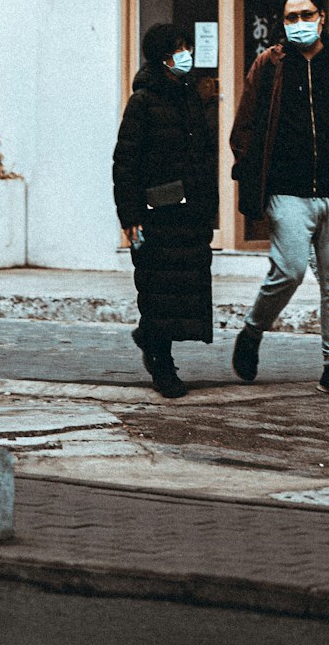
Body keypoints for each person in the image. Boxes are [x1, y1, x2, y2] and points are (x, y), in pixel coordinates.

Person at [229, 0, 329, 397]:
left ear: (322, 17)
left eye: (305, 15)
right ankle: (253, 329)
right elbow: (244, 128)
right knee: (289, 269)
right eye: (290, 18)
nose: (298, 24)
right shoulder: (269, 65)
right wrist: (253, 179)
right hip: (288, 191)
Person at [113, 21, 217, 398]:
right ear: (161, 57)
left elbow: (203, 157)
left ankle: (149, 338)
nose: (185, 54)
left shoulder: (189, 97)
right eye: (177, 48)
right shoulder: (142, 102)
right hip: (157, 213)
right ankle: (161, 362)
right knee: (158, 291)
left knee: (182, 291)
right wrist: (130, 217)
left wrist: (208, 206)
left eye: (187, 46)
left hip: (190, 213)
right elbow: (124, 163)